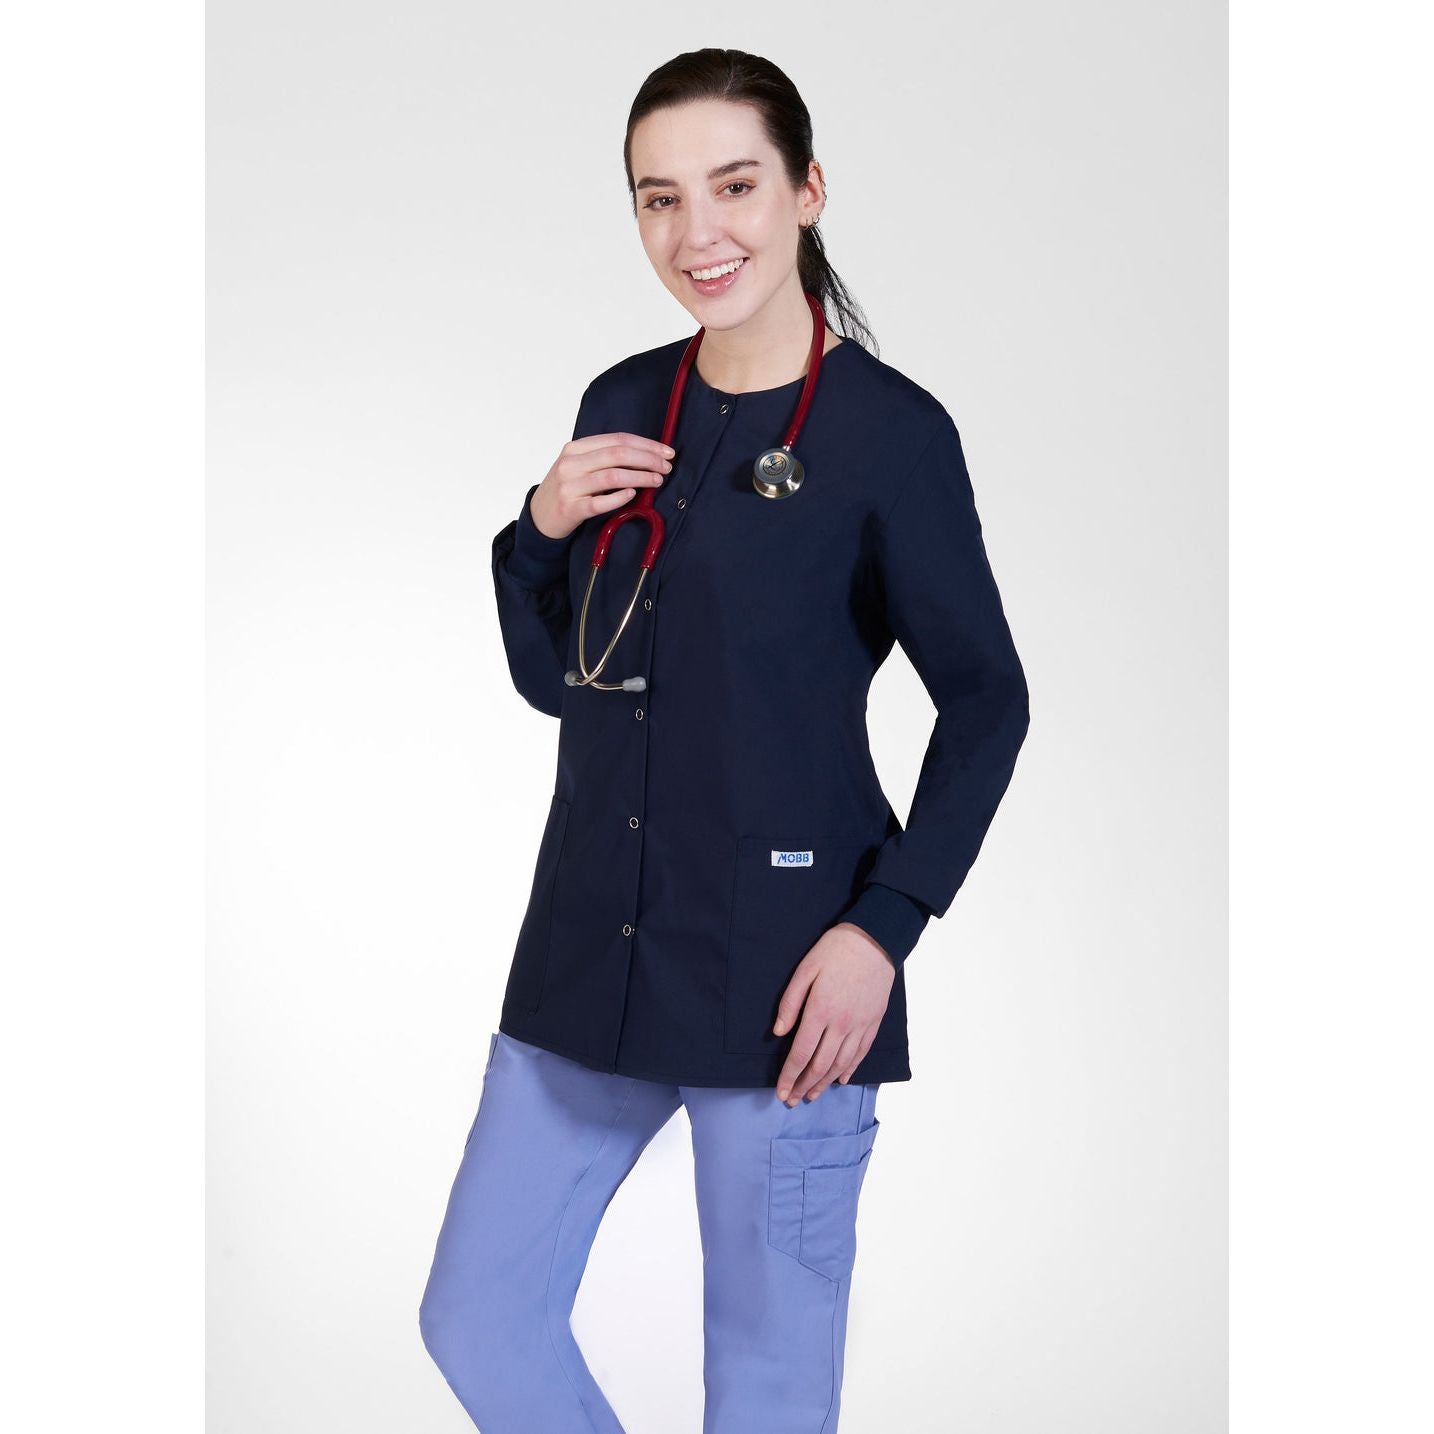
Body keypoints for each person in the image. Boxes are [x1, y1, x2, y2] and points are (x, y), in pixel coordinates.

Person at [419, 47, 1031, 1433]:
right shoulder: (620, 403)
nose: (697, 231)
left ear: (806, 191)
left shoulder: (891, 437)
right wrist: (539, 531)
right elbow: (565, 684)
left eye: (735, 186)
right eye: (659, 198)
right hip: (590, 958)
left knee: (765, 1387)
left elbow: (989, 700)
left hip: (787, 986)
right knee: (475, 1318)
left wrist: (882, 927)